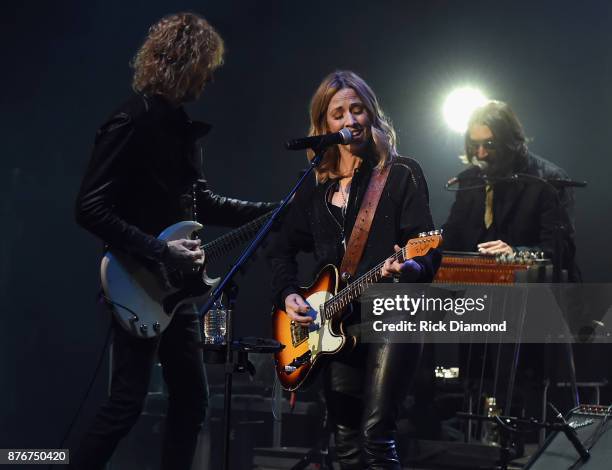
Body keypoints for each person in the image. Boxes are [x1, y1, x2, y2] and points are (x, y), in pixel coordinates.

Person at [72, 12, 276, 470]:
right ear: (185, 63)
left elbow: (203, 203)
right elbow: (89, 207)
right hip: (138, 279)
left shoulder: (181, 128)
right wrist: (159, 249)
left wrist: (276, 209)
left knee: (192, 403)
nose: (208, 79)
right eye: (205, 67)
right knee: (126, 404)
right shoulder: (130, 120)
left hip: (177, 289)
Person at [267, 70, 440, 469]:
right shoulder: (314, 186)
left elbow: (427, 247)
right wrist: (288, 293)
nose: (350, 120)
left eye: (358, 110)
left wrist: (411, 267)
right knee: (345, 442)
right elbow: (280, 250)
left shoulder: (400, 174)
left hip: (394, 314)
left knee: (376, 435)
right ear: (324, 125)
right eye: (339, 113)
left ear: (372, 115)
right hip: (334, 323)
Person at [442, 100, 576, 276]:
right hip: (481, 292)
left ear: (511, 142)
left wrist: (516, 253)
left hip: (538, 295)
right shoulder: (470, 180)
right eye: (475, 145)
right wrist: (418, 253)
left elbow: (560, 251)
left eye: (490, 145)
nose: (480, 153)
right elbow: (452, 236)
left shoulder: (549, 180)